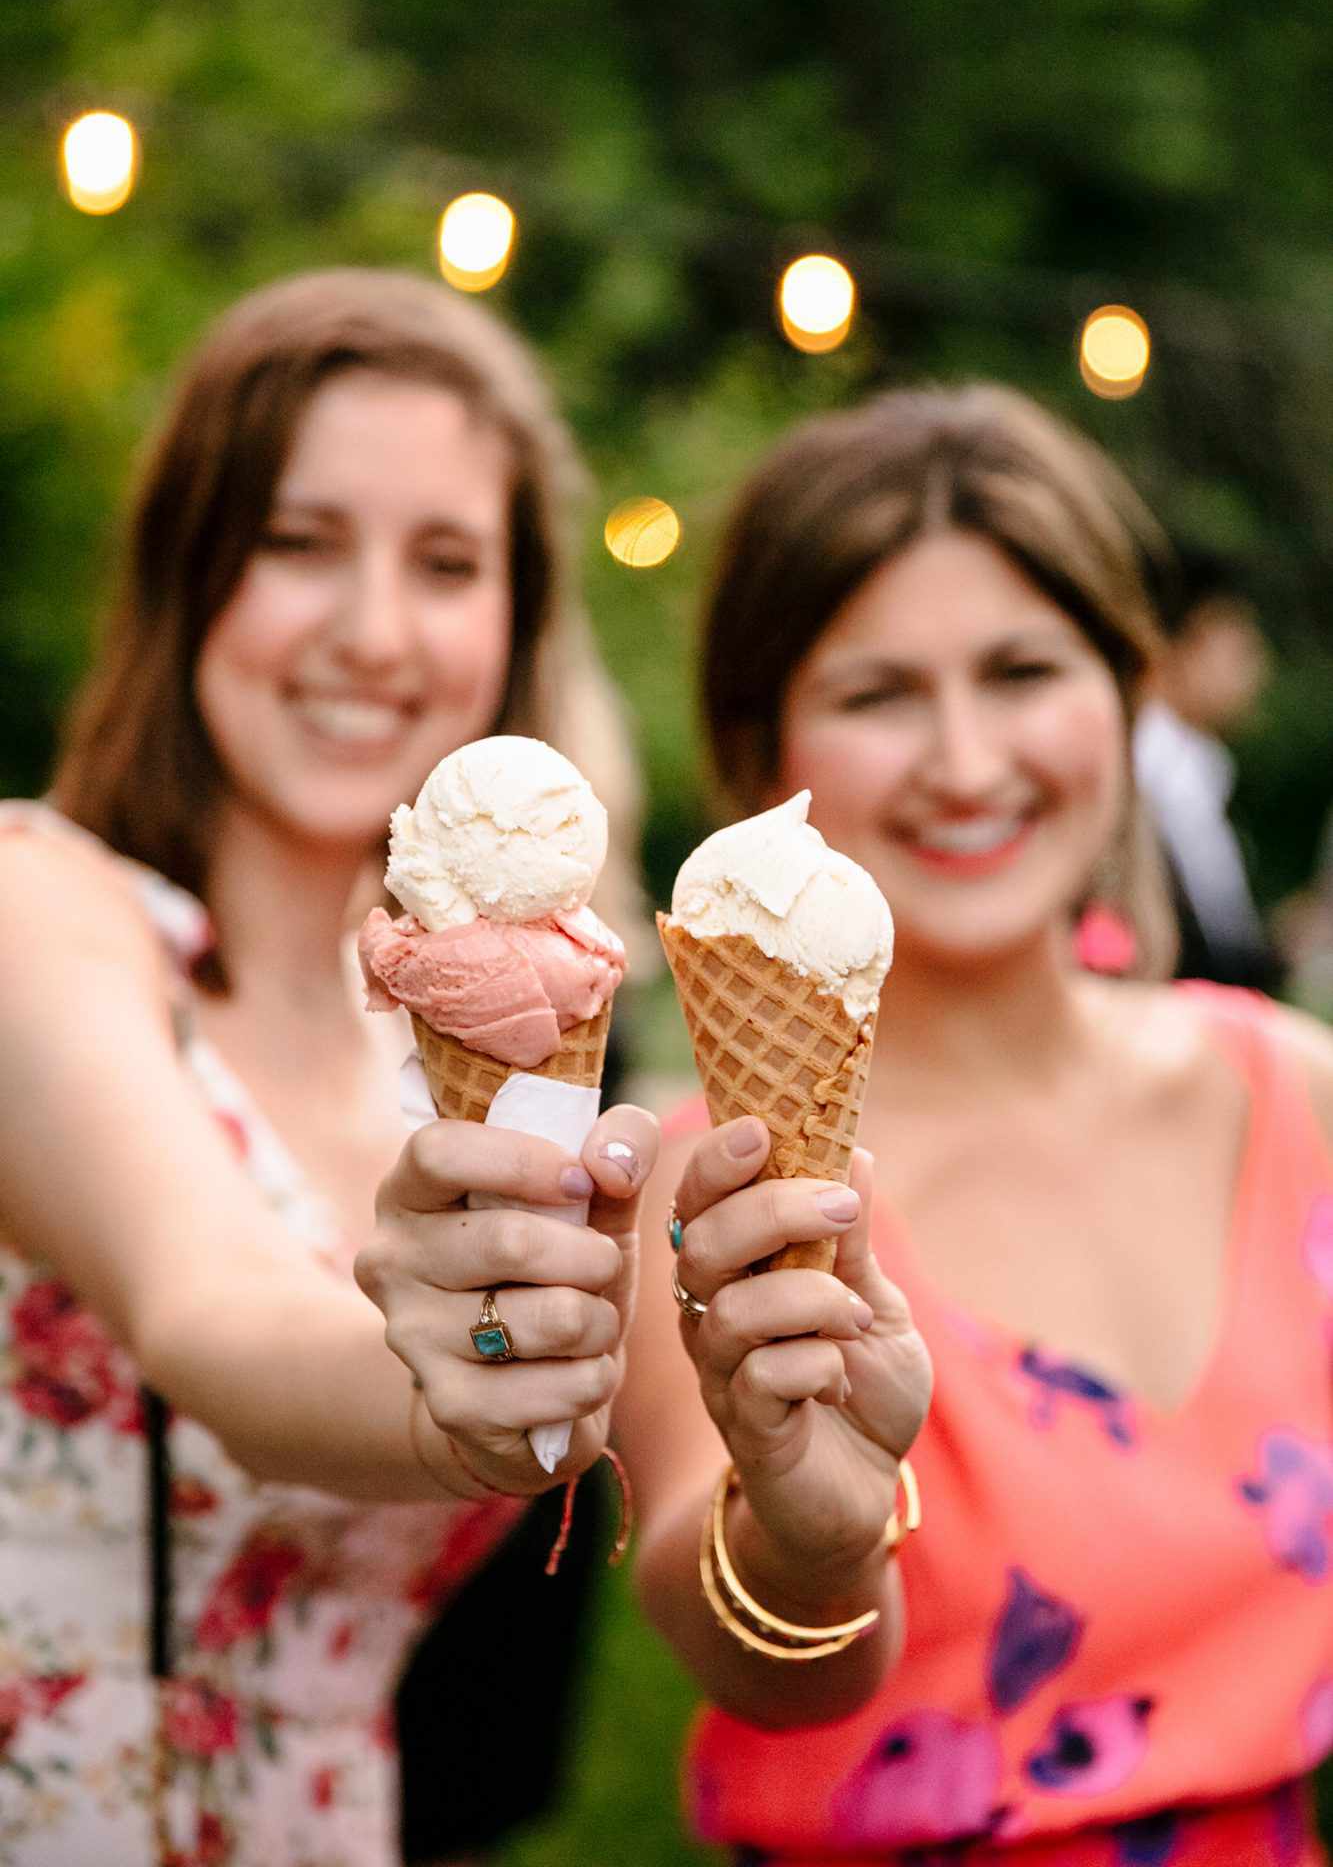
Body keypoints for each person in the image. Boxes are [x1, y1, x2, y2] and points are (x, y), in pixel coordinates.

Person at [615, 385, 1333, 1865]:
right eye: (879, 695)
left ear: (1128, 695)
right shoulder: (704, 1190)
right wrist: (805, 1535)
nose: (962, 760)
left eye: (1020, 671)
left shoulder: (1295, 1096)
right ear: (763, 754)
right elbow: (741, 1650)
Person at [0, 267, 658, 1867]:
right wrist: (456, 1402)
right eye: (299, 543)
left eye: (446, 564)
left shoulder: (470, 1048)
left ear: (514, 623)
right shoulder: (40, 912)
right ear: (187, 572)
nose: (372, 632)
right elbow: (211, 1318)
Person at [1133, 542, 1284, 992]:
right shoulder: (1141, 776)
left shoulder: (1194, 775)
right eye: (1240, 648)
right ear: (1182, 644)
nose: (1258, 670)